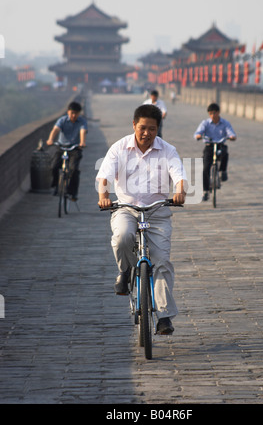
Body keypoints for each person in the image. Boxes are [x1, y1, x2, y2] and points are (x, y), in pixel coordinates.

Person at [97, 104, 187, 335]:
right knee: (122, 237)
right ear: (134, 125)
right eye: (143, 128)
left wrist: (180, 192)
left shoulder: (168, 150)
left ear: (158, 129)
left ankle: (164, 316)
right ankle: (125, 270)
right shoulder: (119, 148)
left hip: (157, 212)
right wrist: (104, 197)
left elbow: (179, 175)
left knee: (161, 262)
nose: (147, 133)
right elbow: (105, 176)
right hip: (126, 208)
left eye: (152, 129)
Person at [193, 103, 236, 201]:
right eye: (210, 113)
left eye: (214, 113)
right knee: (205, 168)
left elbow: (231, 133)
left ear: (218, 113)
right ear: (208, 114)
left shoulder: (225, 123)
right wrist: (199, 136)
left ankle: (223, 171)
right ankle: (206, 191)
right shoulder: (205, 123)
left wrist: (232, 137)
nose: (213, 115)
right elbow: (197, 133)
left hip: (220, 145)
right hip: (209, 146)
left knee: (225, 152)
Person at [46, 101, 88, 201]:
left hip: (75, 148)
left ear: (79, 113)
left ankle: (72, 193)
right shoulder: (62, 120)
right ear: (68, 112)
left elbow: (83, 131)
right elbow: (55, 129)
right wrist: (50, 139)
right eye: (72, 113)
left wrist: (82, 142)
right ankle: (56, 184)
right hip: (61, 146)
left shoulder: (82, 121)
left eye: (76, 113)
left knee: (73, 169)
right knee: (54, 166)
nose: (73, 115)